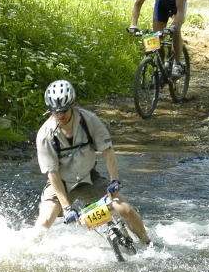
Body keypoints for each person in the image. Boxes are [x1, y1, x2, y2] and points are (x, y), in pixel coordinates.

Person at [33, 79, 151, 245]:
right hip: (61, 184)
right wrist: (66, 208)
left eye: (64, 111)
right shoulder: (45, 134)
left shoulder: (89, 121)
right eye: (55, 111)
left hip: (90, 179)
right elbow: (52, 174)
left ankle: (148, 243)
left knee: (125, 209)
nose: (60, 115)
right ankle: (26, 254)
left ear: (72, 105)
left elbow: (108, 151)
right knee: (45, 220)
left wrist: (114, 180)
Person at [128, 0, 188, 79]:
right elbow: (138, 4)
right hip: (162, 5)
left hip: (177, 6)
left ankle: (177, 64)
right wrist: (133, 25)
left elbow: (180, 11)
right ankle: (160, 66)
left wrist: (172, 26)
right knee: (156, 36)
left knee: (175, 30)